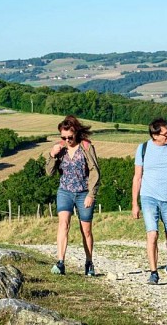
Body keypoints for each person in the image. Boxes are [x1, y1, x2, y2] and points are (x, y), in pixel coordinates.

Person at [131, 118, 167, 285]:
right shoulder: (143, 149)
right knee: (153, 234)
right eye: (165, 134)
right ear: (155, 135)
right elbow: (137, 177)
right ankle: (153, 272)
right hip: (149, 197)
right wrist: (134, 203)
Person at [45, 115, 101, 277]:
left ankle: (89, 262)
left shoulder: (86, 147)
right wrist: (52, 155)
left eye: (70, 137)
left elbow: (95, 171)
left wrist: (91, 194)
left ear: (76, 133)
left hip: (83, 192)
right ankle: (60, 262)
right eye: (63, 137)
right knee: (63, 224)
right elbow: (49, 173)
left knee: (86, 231)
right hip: (65, 191)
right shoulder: (59, 148)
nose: (67, 140)